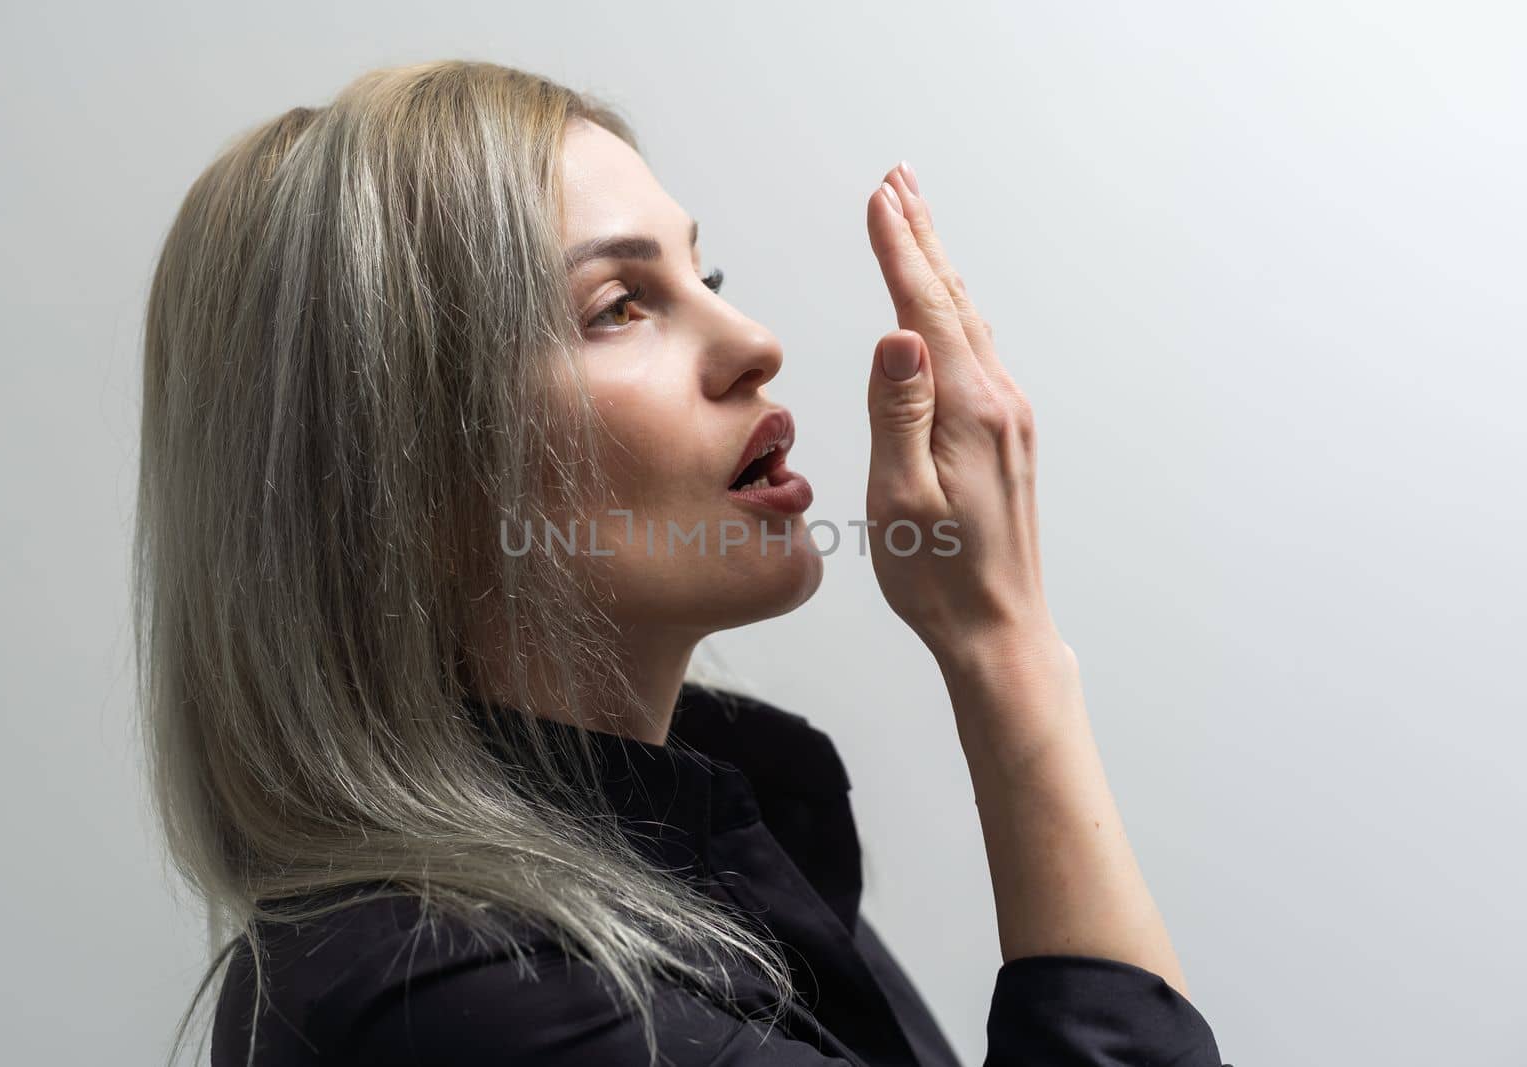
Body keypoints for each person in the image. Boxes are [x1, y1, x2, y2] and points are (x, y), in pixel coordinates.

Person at [136, 58, 1229, 1066]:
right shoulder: (460, 995)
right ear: (401, 478)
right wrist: (1006, 650)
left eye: (704, 273)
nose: (754, 340)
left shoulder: (690, 865)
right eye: (618, 306)